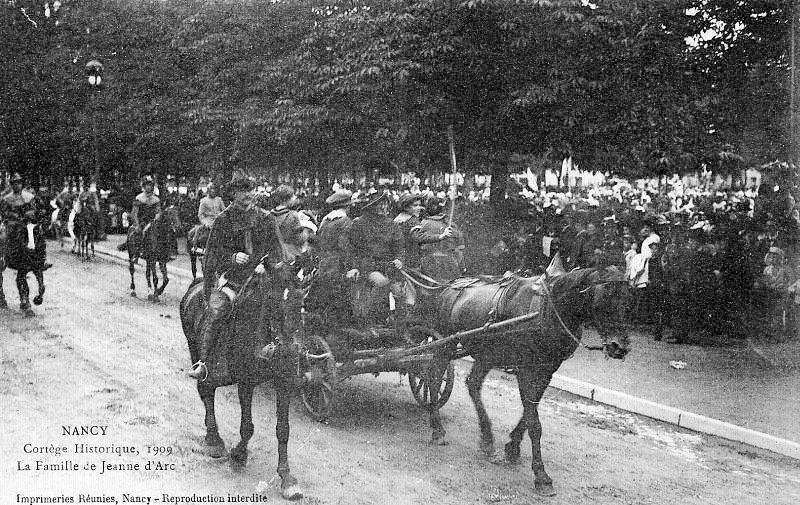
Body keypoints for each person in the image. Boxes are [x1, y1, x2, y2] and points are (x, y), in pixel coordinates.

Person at [188, 172, 285, 380]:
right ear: (233, 194)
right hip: (234, 279)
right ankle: (204, 362)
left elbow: (278, 250)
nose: (248, 195)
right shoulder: (223, 220)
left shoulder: (265, 218)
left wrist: (266, 265)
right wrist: (232, 257)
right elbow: (212, 253)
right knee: (217, 311)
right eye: (242, 191)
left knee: (285, 305)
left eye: (250, 190)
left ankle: (282, 353)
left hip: (264, 276)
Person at [343, 191, 410, 328]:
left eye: (385, 204)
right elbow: (350, 248)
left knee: (401, 291)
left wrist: (399, 259)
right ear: (371, 207)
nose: (383, 208)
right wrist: (354, 266)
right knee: (382, 283)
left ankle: (399, 325)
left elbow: (399, 247)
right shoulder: (359, 224)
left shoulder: (392, 225)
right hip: (367, 266)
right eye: (379, 204)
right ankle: (368, 318)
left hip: (389, 266)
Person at [0, 172, 48, 316]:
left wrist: (30, 215)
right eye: (14, 183)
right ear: (11, 184)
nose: (17, 185)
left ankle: (42, 258)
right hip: (12, 226)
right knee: (3, 236)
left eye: (19, 182)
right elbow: (3, 213)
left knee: (37, 235)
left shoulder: (29, 197)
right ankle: (4, 257)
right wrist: (12, 217)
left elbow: (36, 210)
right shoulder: (6, 199)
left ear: (22, 184)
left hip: (26, 224)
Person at [305, 189, 354, 328]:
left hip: (324, 262)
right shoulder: (346, 222)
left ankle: (328, 324)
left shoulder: (325, 221)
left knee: (327, 291)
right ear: (347, 206)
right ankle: (339, 326)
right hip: (337, 262)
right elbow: (345, 247)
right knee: (340, 293)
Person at [413, 196, 465, 283]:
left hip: (429, 265)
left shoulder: (423, 224)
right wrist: (462, 267)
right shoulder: (452, 225)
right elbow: (459, 250)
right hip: (450, 264)